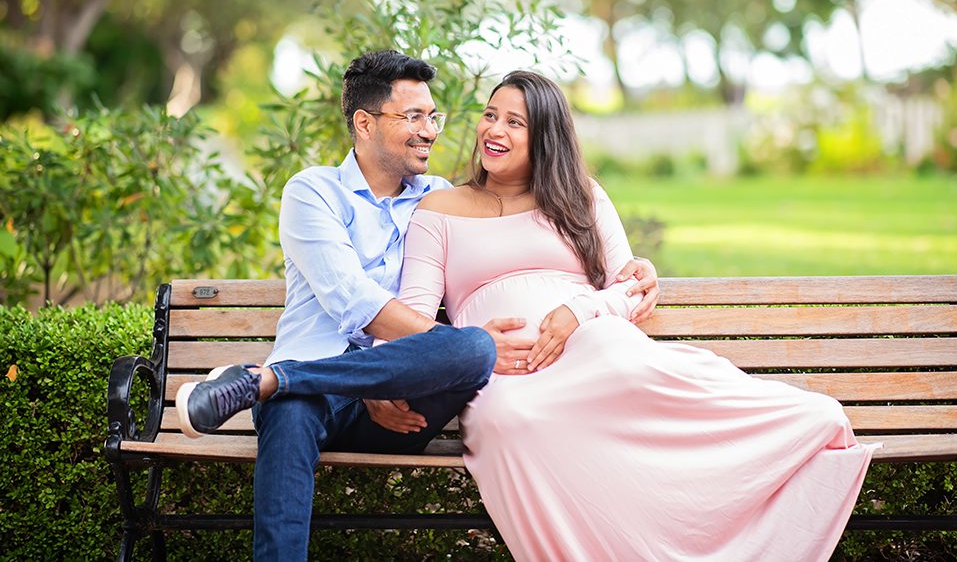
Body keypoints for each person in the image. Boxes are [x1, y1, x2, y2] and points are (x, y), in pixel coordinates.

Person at [175, 50, 661, 562]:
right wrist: (382, 375)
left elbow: (444, 300)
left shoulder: (441, 198)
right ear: (364, 123)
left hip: (399, 411)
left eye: (433, 116)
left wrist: (400, 375)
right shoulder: (313, 192)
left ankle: (265, 378)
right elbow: (353, 299)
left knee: (473, 349)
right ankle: (278, 388)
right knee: (293, 410)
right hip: (319, 389)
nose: (429, 130)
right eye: (413, 117)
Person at [397, 70, 877, 562]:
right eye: (491, 116)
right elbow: (409, 318)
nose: (494, 130)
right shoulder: (439, 210)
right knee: (509, 421)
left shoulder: (581, 196)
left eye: (515, 122)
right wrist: (472, 345)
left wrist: (577, 313)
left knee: (630, 366)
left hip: (594, 348)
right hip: (505, 371)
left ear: (545, 136)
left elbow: (631, 287)